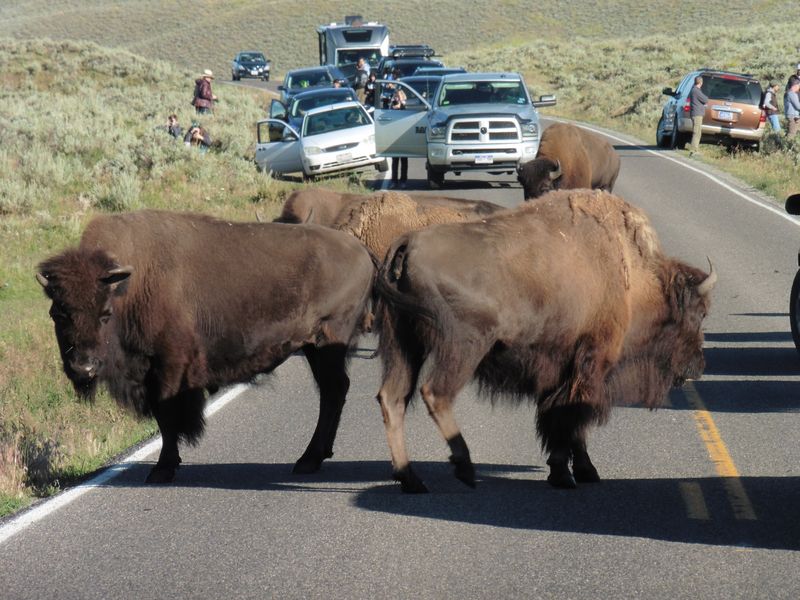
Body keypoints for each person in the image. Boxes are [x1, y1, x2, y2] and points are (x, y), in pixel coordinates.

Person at [389, 86, 408, 188]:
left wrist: (401, 104)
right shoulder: (392, 106)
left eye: (399, 96)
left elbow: (407, 115)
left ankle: (403, 180)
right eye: (396, 96)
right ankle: (394, 180)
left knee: (404, 160)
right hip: (394, 136)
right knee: (395, 160)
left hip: (404, 136)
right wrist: (393, 106)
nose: (397, 98)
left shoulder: (405, 107)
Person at [687, 75, 708, 156]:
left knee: (698, 132)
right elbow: (705, 99)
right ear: (701, 82)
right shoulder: (696, 91)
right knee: (696, 132)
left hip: (695, 113)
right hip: (697, 114)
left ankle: (695, 149)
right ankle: (693, 150)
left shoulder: (693, 90)